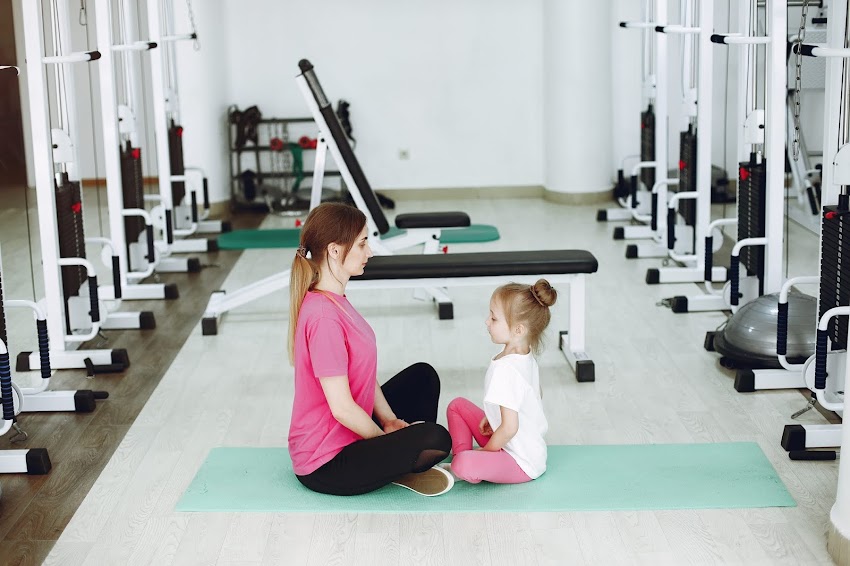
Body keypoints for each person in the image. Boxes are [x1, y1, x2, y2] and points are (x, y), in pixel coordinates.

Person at [287, 202, 453, 496]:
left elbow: (362, 374)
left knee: (423, 377)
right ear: (335, 251)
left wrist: (389, 421)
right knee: (436, 438)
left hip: (350, 435)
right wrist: (386, 444)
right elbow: (341, 408)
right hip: (325, 463)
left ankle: (397, 463)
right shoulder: (323, 318)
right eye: (363, 243)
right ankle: (399, 466)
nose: (370, 252)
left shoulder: (336, 299)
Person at [444, 280, 556, 484]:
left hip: (521, 462)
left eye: (494, 318)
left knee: (462, 464)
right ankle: (469, 461)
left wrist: (485, 452)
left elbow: (510, 428)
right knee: (457, 406)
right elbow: (533, 395)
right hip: (522, 448)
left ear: (518, 330)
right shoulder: (525, 355)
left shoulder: (506, 369)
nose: (487, 321)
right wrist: (493, 415)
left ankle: (466, 465)